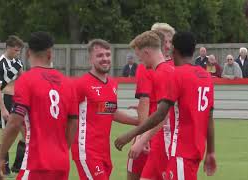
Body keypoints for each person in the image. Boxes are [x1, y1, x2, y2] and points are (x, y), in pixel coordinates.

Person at [114, 31, 217, 180]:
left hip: (180, 151)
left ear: (174, 50)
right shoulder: (206, 76)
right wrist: (211, 151)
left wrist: (132, 135)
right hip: (194, 150)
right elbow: (209, 117)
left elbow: (161, 114)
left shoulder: (176, 75)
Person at [0, 31, 78, 180]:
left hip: (36, 162)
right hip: (61, 162)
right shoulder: (69, 84)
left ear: (28, 53)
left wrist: (1, 158)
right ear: (50, 54)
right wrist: (63, 149)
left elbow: (14, 123)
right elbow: (73, 123)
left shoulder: (26, 80)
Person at [71, 39, 139, 180]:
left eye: (108, 55)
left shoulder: (112, 84)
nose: (105, 59)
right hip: (86, 151)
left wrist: (140, 122)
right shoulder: (81, 84)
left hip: (104, 151)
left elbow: (110, 111)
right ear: (90, 59)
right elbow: (67, 115)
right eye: (100, 55)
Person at [128, 30, 176, 180]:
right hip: (159, 136)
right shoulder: (169, 70)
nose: (140, 61)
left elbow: (163, 114)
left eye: (140, 57)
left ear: (147, 52)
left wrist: (141, 138)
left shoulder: (161, 72)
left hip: (163, 138)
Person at [0, 35, 25, 175]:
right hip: (6, 100)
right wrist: (3, 109)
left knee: (26, 133)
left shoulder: (18, 62)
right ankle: (4, 169)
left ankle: (18, 167)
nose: (18, 53)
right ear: (9, 48)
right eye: (16, 50)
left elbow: (24, 80)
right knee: (6, 135)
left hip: (18, 100)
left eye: (19, 51)